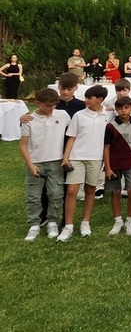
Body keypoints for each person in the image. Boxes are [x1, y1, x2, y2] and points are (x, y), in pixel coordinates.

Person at [58, 85, 111, 242]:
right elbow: (72, 137)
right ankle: (68, 226)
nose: (86, 100)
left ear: (99, 100)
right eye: (86, 97)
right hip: (76, 157)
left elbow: (126, 114)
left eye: (89, 98)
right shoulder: (79, 115)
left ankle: (85, 223)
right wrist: (65, 157)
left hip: (96, 158)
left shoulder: (109, 114)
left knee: (90, 190)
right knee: (72, 190)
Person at [19, 88, 68, 241]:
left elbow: (78, 124)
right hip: (36, 162)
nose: (51, 109)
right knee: (33, 195)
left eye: (54, 105)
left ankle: (52, 221)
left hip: (56, 161)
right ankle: (34, 223)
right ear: (37, 103)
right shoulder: (29, 120)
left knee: (56, 193)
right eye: (48, 106)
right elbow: (23, 145)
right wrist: (30, 165)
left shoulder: (63, 115)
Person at [105, 97, 131, 235]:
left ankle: (130, 221)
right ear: (116, 109)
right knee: (115, 192)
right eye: (120, 108)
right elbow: (106, 147)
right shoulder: (111, 126)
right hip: (114, 163)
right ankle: (118, 220)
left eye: (126, 108)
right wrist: (107, 167)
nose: (123, 111)